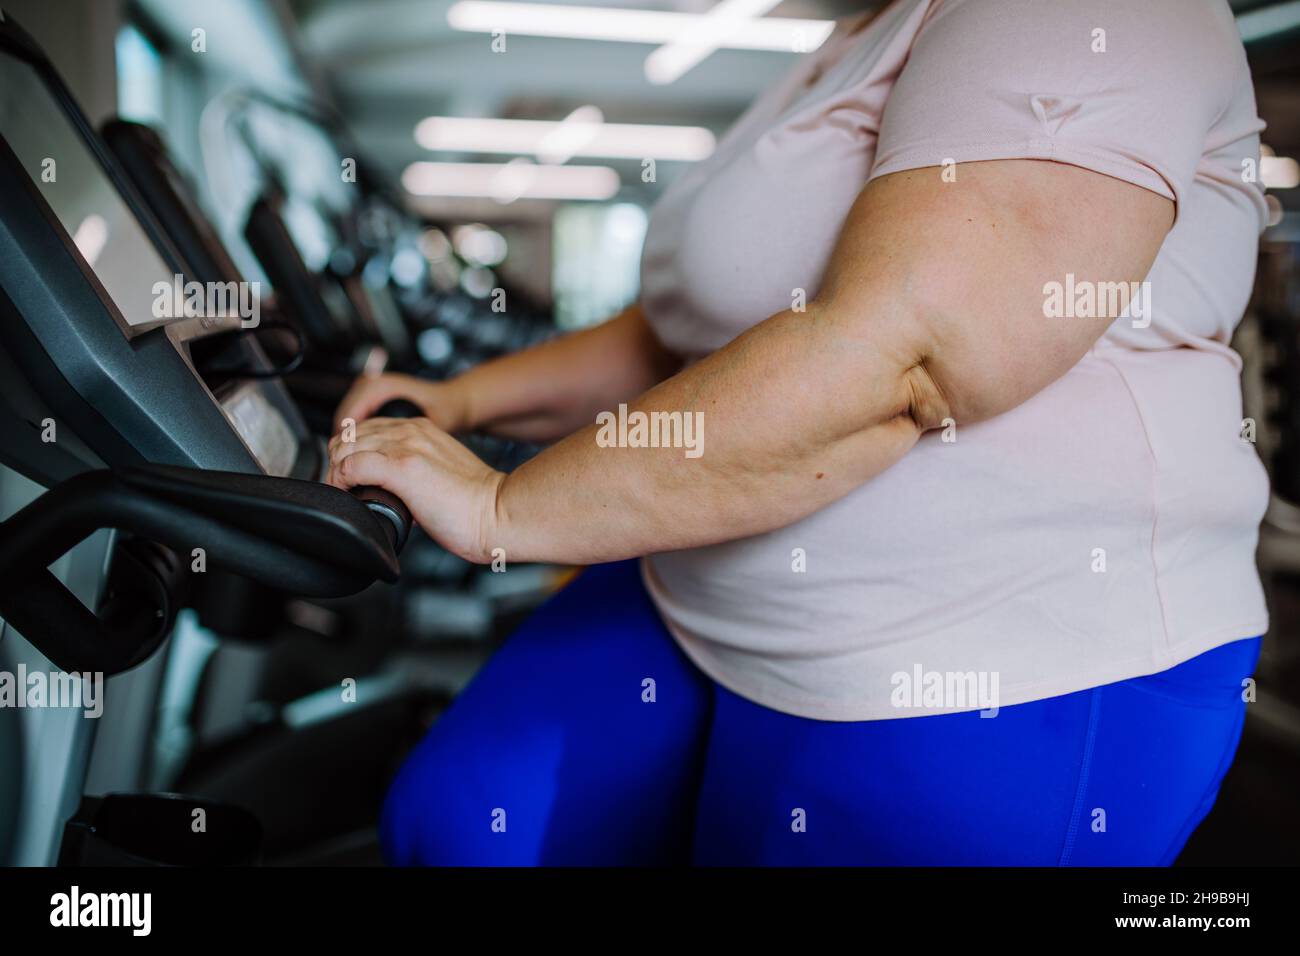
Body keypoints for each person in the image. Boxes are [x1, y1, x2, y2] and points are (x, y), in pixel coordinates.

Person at [329, 0, 1269, 865]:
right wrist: (458, 403)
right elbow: (676, 331)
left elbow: (909, 357)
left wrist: (501, 508)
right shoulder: (856, 32)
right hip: (702, 588)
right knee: (458, 827)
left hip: (1000, 651)